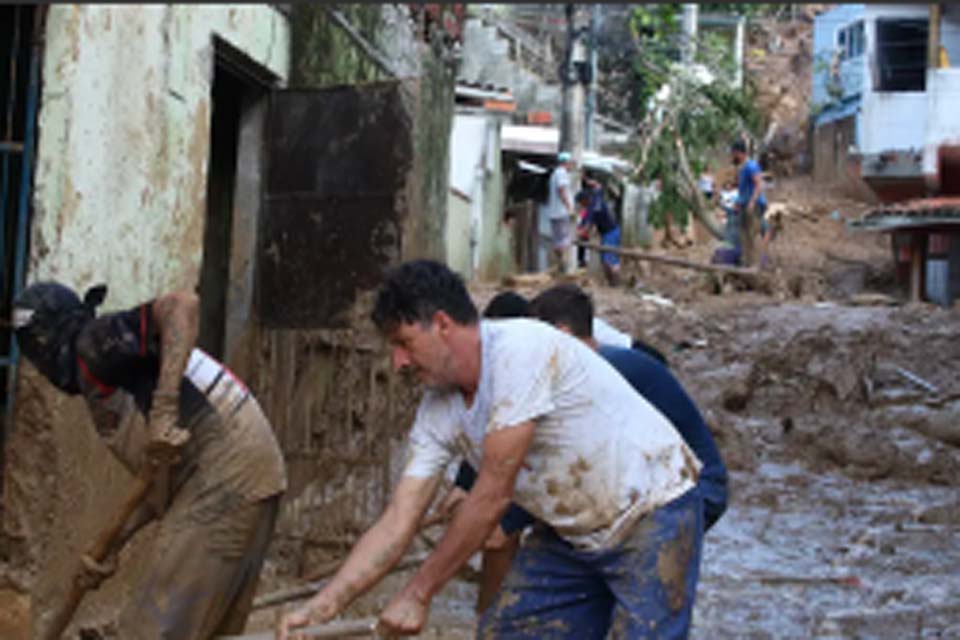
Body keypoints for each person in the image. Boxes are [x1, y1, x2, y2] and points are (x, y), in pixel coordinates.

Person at [278, 260, 703, 639]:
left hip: (652, 511)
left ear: (442, 324)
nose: (398, 362)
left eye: (404, 343)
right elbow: (398, 521)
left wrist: (418, 593)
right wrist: (323, 607)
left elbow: (492, 497)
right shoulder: (437, 410)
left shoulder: (519, 351)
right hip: (572, 533)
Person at [12, 282, 286, 639]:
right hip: (250, 471)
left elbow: (182, 305)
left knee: (150, 630)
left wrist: (164, 408)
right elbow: (160, 485)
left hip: (227, 469)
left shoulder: (93, 343)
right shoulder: (107, 376)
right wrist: (112, 546)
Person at [528, 284, 728, 532]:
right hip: (660, 484)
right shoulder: (602, 364)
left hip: (692, 490)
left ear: (562, 335)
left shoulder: (607, 372)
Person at [731, 139, 769, 267]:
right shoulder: (742, 168)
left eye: (734, 154)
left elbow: (759, 184)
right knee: (744, 234)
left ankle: (754, 263)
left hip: (754, 205)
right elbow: (743, 190)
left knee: (751, 234)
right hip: (745, 205)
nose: (733, 156)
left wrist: (752, 202)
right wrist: (738, 203)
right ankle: (746, 261)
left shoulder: (751, 166)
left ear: (740, 153)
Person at [579, 172, 621, 286]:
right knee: (607, 258)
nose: (581, 206)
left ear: (584, 201)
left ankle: (615, 282)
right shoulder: (596, 198)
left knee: (609, 259)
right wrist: (587, 181)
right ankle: (612, 282)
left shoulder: (591, 210)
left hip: (610, 233)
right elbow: (599, 186)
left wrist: (577, 235)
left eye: (581, 203)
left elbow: (586, 228)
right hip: (611, 231)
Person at [540, 151, 576, 273]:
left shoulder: (555, 174)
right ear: (566, 162)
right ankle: (564, 266)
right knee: (564, 240)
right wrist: (569, 208)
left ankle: (560, 264)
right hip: (561, 212)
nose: (571, 165)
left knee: (558, 240)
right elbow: (562, 190)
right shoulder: (561, 173)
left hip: (555, 212)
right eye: (570, 163)